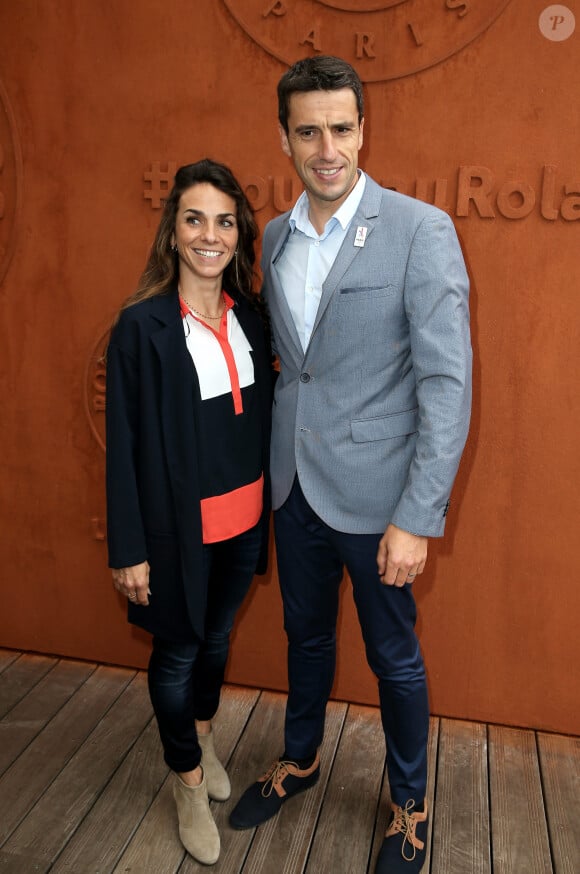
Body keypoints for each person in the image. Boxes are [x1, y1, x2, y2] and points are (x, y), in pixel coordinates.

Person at [228, 57, 472, 874]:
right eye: (308, 131)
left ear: (364, 130)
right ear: (285, 137)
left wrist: (417, 515)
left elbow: (446, 381)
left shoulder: (420, 229)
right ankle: (301, 759)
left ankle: (410, 803)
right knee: (304, 637)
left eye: (341, 127)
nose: (326, 147)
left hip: (379, 504)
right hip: (292, 490)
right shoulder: (272, 235)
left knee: (392, 657)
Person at [105, 159, 273, 866]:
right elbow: (123, 445)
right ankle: (188, 777)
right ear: (173, 232)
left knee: (214, 641)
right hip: (177, 533)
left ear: (240, 234)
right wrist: (129, 547)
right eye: (194, 219)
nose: (210, 234)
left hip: (243, 522)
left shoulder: (254, 319)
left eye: (225, 221)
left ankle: (202, 731)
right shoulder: (141, 328)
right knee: (176, 654)